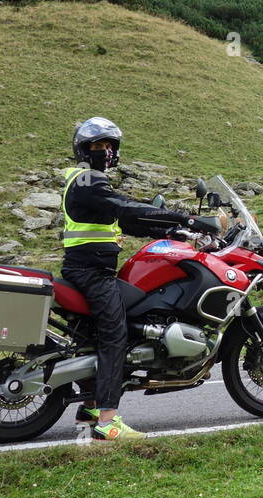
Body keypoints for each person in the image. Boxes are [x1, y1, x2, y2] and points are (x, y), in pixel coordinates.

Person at [61, 117, 201, 440]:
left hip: (89, 270)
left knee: (97, 336)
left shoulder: (88, 182)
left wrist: (170, 230)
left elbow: (126, 220)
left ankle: (91, 405)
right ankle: (108, 422)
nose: (105, 152)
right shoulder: (87, 181)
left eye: (109, 146)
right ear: (83, 150)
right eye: (98, 146)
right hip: (92, 273)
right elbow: (125, 209)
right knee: (115, 335)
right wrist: (186, 217)